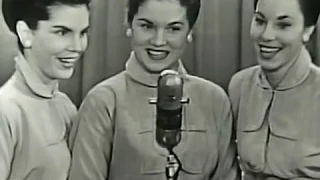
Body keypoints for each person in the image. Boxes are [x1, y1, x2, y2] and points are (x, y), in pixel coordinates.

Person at [68, 0, 239, 179]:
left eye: (174, 29)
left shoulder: (214, 101)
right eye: (146, 26)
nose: (158, 41)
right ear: (129, 24)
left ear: (190, 31)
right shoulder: (103, 101)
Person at [228, 0, 320, 179]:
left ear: (308, 30)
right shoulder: (240, 86)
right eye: (260, 21)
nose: (267, 35)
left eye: (283, 25)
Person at [0, 0, 90, 179]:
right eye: (62, 32)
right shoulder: (6, 111)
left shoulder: (65, 106)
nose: (77, 47)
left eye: (83, 33)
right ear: (26, 34)